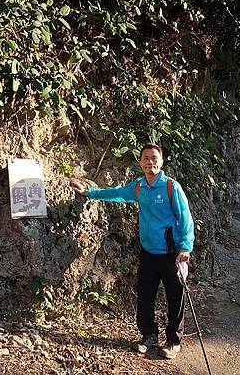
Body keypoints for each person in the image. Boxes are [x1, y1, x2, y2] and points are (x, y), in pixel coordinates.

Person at [71, 143, 194, 359]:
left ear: (161, 161)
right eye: (146, 158)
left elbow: (186, 219)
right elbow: (116, 193)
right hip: (148, 253)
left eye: (154, 158)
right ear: (140, 162)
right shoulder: (139, 187)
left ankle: (173, 341)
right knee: (145, 297)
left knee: (175, 298)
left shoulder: (171, 187)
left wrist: (185, 246)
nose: (150, 162)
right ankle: (148, 335)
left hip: (171, 254)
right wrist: (88, 193)